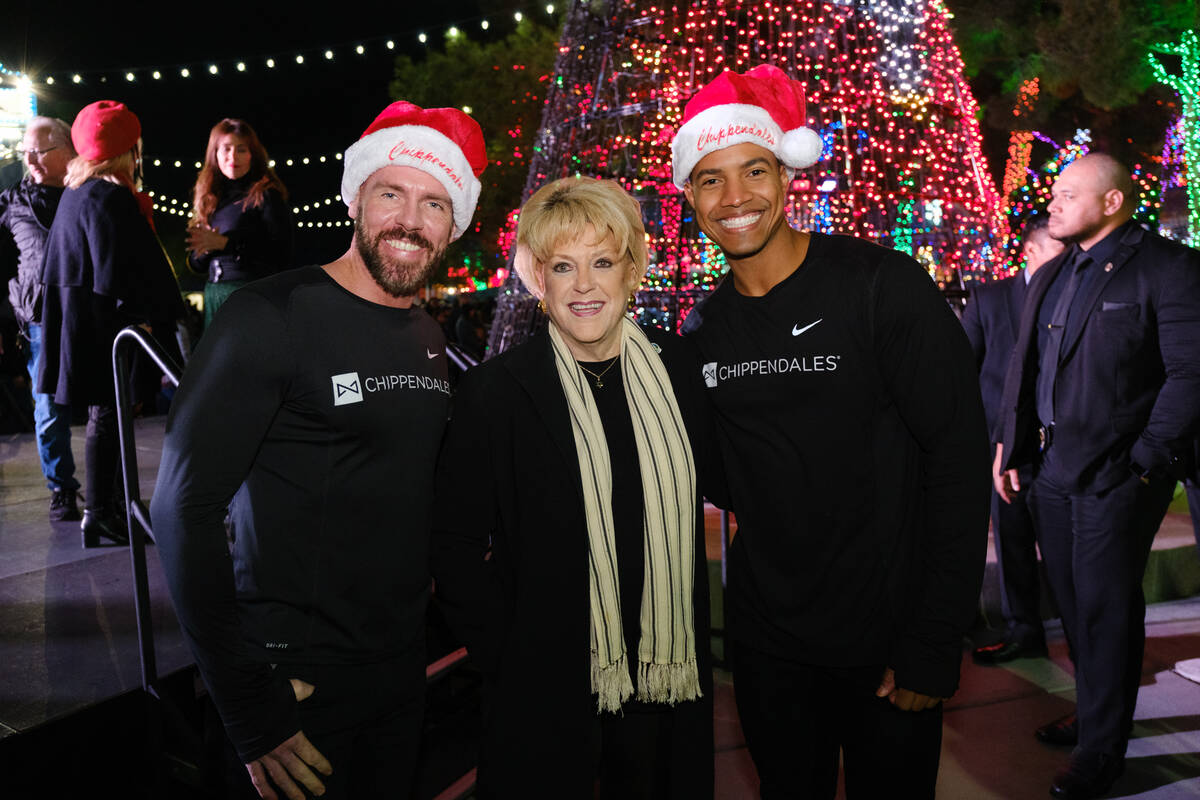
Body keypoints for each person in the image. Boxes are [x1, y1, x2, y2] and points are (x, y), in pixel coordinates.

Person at [151, 101, 486, 800]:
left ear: (453, 224)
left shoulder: (428, 335)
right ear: (356, 197)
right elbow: (182, 511)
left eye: (434, 204)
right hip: (293, 693)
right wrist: (248, 701)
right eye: (391, 193)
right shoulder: (271, 316)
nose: (409, 220)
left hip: (397, 677)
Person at [674, 65, 991, 799]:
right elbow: (719, 474)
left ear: (786, 176)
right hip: (768, 649)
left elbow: (959, 461)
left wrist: (933, 639)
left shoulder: (882, 286)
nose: (736, 198)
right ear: (689, 196)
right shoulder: (702, 329)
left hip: (887, 644)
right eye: (711, 180)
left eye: (754, 171)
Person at [431, 176, 724, 798]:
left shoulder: (681, 372)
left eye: (602, 262)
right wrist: (504, 656)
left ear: (632, 269)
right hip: (541, 682)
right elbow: (452, 542)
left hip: (661, 674)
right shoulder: (497, 393)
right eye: (564, 266)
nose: (585, 285)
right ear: (539, 280)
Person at [995, 152, 1200, 799]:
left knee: (1108, 609)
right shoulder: (1054, 272)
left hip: (1119, 475)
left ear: (1111, 203)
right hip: (1051, 472)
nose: (1051, 203)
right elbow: (1025, 370)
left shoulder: (1169, 269)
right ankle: (1095, 717)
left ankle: (1101, 751)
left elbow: (1191, 375)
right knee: (1079, 609)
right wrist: (1012, 446)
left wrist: (1145, 462)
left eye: (1067, 194)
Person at [37, 101, 184, 547]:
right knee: (107, 417)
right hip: (107, 331)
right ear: (128, 150)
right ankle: (104, 512)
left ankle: (111, 509)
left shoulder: (76, 193)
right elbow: (127, 274)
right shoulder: (110, 196)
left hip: (85, 327)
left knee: (106, 417)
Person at [962, 216, 1064, 664]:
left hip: (1060, 440)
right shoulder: (989, 298)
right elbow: (963, 372)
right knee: (1012, 539)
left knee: (1064, 543)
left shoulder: (1074, 296)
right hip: (1001, 443)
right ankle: (1024, 629)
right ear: (1031, 253)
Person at [0, 117, 80, 521]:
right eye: (24, 151)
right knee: (48, 408)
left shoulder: (87, 192)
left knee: (106, 407)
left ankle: (111, 489)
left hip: (88, 316)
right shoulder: (11, 201)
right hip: (39, 322)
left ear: (67, 149)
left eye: (40, 151)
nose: (29, 159)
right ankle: (61, 488)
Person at [186, 118, 293, 328]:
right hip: (213, 294)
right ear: (215, 154)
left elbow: (282, 254)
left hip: (251, 295)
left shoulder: (267, 195)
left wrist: (226, 243)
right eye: (226, 149)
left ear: (252, 154)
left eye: (241, 149)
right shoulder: (209, 199)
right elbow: (194, 263)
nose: (232, 157)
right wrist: (206, 248)